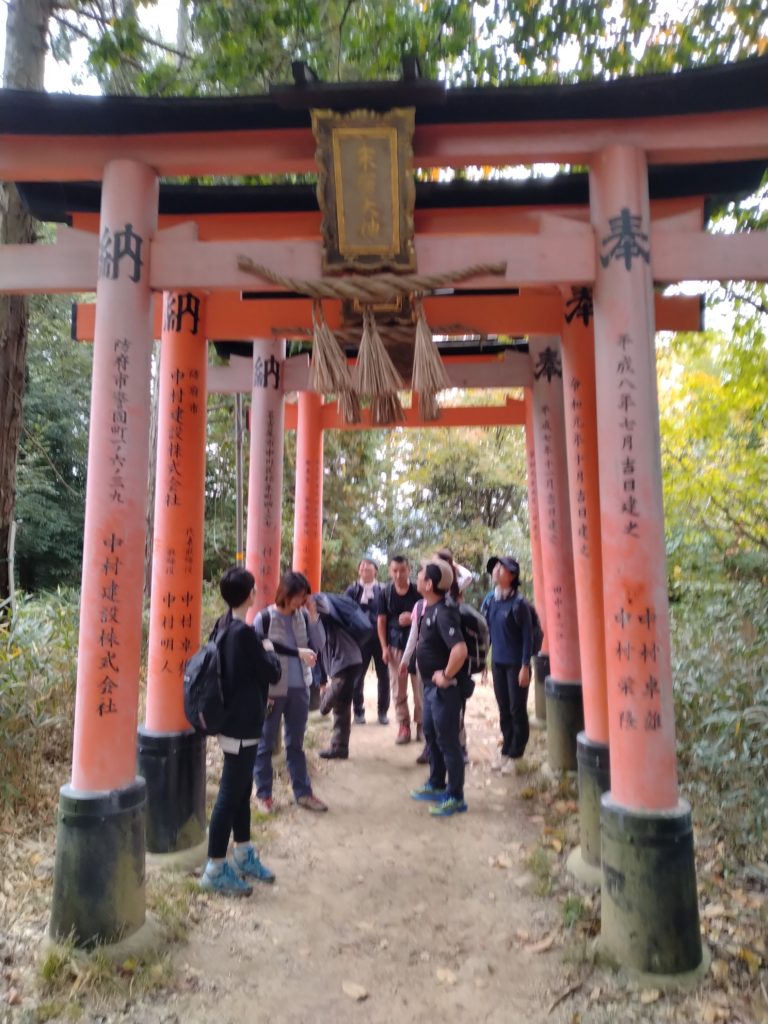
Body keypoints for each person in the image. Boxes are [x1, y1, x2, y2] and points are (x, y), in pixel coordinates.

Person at [200, 567, 281, 896]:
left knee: (241, 788)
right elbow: (271, 672)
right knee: (229, 795)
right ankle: (215, 868)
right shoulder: (246, 634)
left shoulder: (221, 626)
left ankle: (244, 851)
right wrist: (269, 647)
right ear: (250, 594)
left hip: (230, 721)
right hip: (242, 725)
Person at [253, 571, 328, 814]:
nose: (300, 601)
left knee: (295, 743)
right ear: (286, 593)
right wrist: (297, 652)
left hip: (300, 689)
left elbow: (320, 643)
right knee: (264, 743)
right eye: (298, 596)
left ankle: (303, 792)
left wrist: (314, 617)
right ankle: (263, 794)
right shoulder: (264, 618)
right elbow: (262, 647)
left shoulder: (304, 616)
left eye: (304, 597)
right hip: (272, 690)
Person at [410, 557, 469, 818]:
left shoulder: (444, 612)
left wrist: (445, 675)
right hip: (429, 689)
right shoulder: (429, 607)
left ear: (430, 583)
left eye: (421, 573)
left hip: (444, 691)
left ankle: (455, 796)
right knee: (432, 736)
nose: (418, 576)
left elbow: (460, 650)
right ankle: (436, 783)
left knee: (448, 741)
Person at [483, 555, 533, 773]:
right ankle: (506, 748)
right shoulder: (491, 601)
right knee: (504, 707)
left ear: (512, 576)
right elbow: (489, 633)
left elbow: (528, 637)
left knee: (516, 708)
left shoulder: (519, 604)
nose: (496, 571)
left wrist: (525, 666)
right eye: (495, 568)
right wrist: (485, 662)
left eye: (501, 569)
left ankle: (516, 754)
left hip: (515, 665)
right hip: (498, 663)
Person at [315, 592, 364, 760]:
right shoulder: (318, 626)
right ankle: (340, 747)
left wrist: (313, 598)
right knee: (342, 706)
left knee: (334, 697)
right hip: (349, 661)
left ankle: (323, 708)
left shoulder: (327, 615)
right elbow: (318, 655)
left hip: (346, 661)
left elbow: (324, 606)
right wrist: (321, 680)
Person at [377, 554, 420, 744]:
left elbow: (429, 614)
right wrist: (384, 647)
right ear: (389, 572)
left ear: (409, 570)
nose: (398, 574)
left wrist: (413, 617)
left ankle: (422, 725)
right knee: (398, 689)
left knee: (420, 689)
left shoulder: (419, 591)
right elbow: (381, 621)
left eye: (402, 570)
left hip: (418, 646)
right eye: (394, 570)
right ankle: (404, 726)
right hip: (395, 646)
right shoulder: (385, 593)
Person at [345, 557, 389, 726]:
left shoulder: (383, 590)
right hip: (360, 640)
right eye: (361, 565)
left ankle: (383, 711)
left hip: (380, 639)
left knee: (383, 676)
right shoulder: (352, 589)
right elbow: (346, 612)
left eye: (368, 565)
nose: (364, 567)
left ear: (375, 571)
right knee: (357, 676)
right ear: (359, 571)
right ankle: (358, 711)